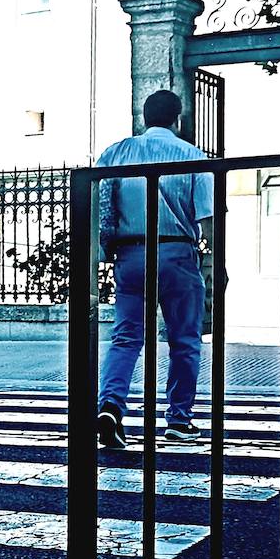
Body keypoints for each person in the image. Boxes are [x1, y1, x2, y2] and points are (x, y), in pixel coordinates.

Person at [95, 89, 213, 448]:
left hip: (130, 255)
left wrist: (102, 251)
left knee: (126, 336)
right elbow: (206, 218)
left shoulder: (114, 154)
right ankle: (179, 419)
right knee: (184, 340)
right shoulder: (193, 156)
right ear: (178, 119)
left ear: (143, 118)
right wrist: (214, 264)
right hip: (176, 253)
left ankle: (111, 406)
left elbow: (100, 205)